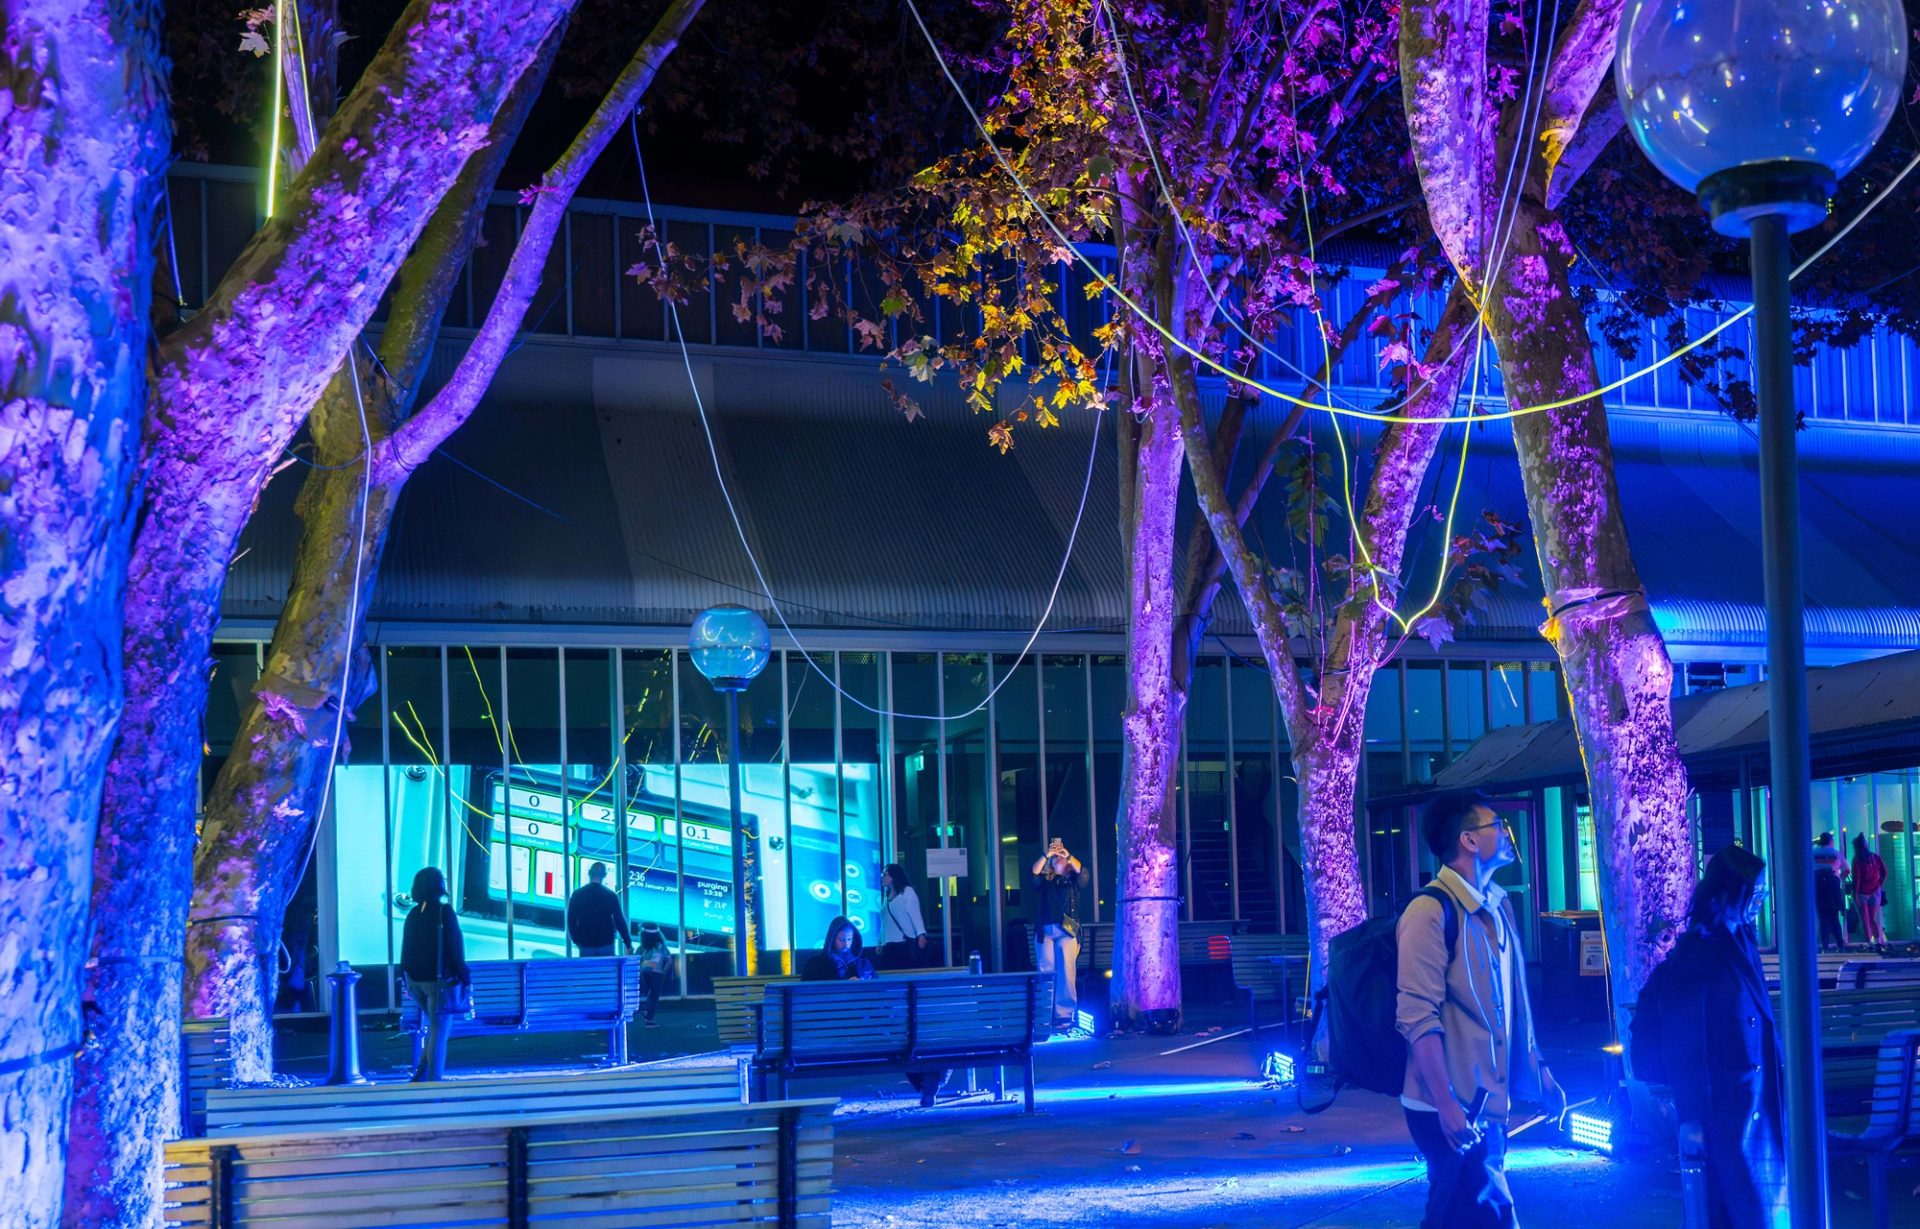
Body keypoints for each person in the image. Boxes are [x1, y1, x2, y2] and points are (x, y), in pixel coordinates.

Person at [1397, 794, 1560, 1229]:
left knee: (1463, 1213)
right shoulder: (1429, 912)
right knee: (1484, 1212)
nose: (1506, 832)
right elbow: (1418, 1019)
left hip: (1487, 1101)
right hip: (1450, 1106)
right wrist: (1446, 1103)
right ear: (1468, 839)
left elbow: (1513, 1006)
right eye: (1497, 824)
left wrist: (1540, 1071)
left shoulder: (1498, 906)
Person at [1654, 845, 1787, 1229]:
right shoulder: (1697, 951)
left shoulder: (1740, 940)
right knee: (1730, 1206)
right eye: (1755, 894)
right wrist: (1691, 1115)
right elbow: (1683, 1042)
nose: (1761, 901)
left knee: (1750, 1205)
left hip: (1752, 1098)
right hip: (1725, 1105)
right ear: (1728, 894)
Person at [401, 866, 469, 1082]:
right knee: (440, 1032)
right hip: (437, 984)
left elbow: (406, 949)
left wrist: (407, 980)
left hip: (416, 983)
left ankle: (422, 1072)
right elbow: (454, 947)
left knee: (435, 1028)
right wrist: (465, 977)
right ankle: (434, 1079)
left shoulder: (413, 913)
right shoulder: (444, 911)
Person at [1031, 837, 1082, 1031]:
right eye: (1055, 859)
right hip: (1046, 931)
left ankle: (1064, 1014)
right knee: (1046, 971)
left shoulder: (1072, 881)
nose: (1057, 859)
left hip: (1066, 932)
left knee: (1066, 972)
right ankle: (1044, 1013)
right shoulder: (1045, 881)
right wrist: (1047, 854)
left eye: (1060, 858)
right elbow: (1034, 872)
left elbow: (1081, 870)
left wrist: (1066, 853)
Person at [567, 862, 633, 957]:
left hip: (586, 943)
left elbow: (571, 920)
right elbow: (619, 920)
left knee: (590, 971)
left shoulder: (577, 894)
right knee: (606, 970)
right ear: (604, 875)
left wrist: (576, 940)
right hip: (606, 943)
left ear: (589, 873)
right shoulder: (611, 895)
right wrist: (627, 942)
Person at [879, 864, 932, 969]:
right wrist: (880, 942)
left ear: (894, 876)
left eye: (885, 875)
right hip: (888, 945)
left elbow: (915, 914)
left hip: (903, 943)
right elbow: (885, 923)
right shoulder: (886, 896)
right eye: (882, 875)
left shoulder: (907, 892)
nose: (882, 877)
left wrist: (921, 934)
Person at [800, 915, 875, 981]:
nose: (846, 944)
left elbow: (877, 988)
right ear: (832, 939)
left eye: (849, 939)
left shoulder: (863, 963)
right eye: (842, 939)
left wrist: (861, 984)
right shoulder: (814, 964)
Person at [1851, 833, 1890, 951]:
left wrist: (1856, 894)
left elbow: (1856, 879)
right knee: (1872, 918)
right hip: (1875, 891)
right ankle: (1878, 941)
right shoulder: (1875, 857)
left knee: (1865, 920)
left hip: (1863, 892)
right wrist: (1880, 884)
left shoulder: (1857, 860)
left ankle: (1869, 943)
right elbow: (1885, 872)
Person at [1812, 833, 1849, 952]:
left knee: (1822, 918)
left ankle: (1825, 947)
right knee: (1834, 917)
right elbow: (1847, 869)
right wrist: (1840, 878)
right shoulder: (1836, 853)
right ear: (1830, 841)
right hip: (1833, 885)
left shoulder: (1813, 853)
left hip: (1818, 884)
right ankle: (1840, 945)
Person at [636, 923, 673, 1027]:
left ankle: (643, 1010)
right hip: (657, 973)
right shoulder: (661, 947)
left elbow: (636, 959)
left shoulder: (642, 947)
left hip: (644, 973)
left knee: (645, 993)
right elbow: (669, 961)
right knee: (654, 995)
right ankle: (649, 1020)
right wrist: (663, 973)